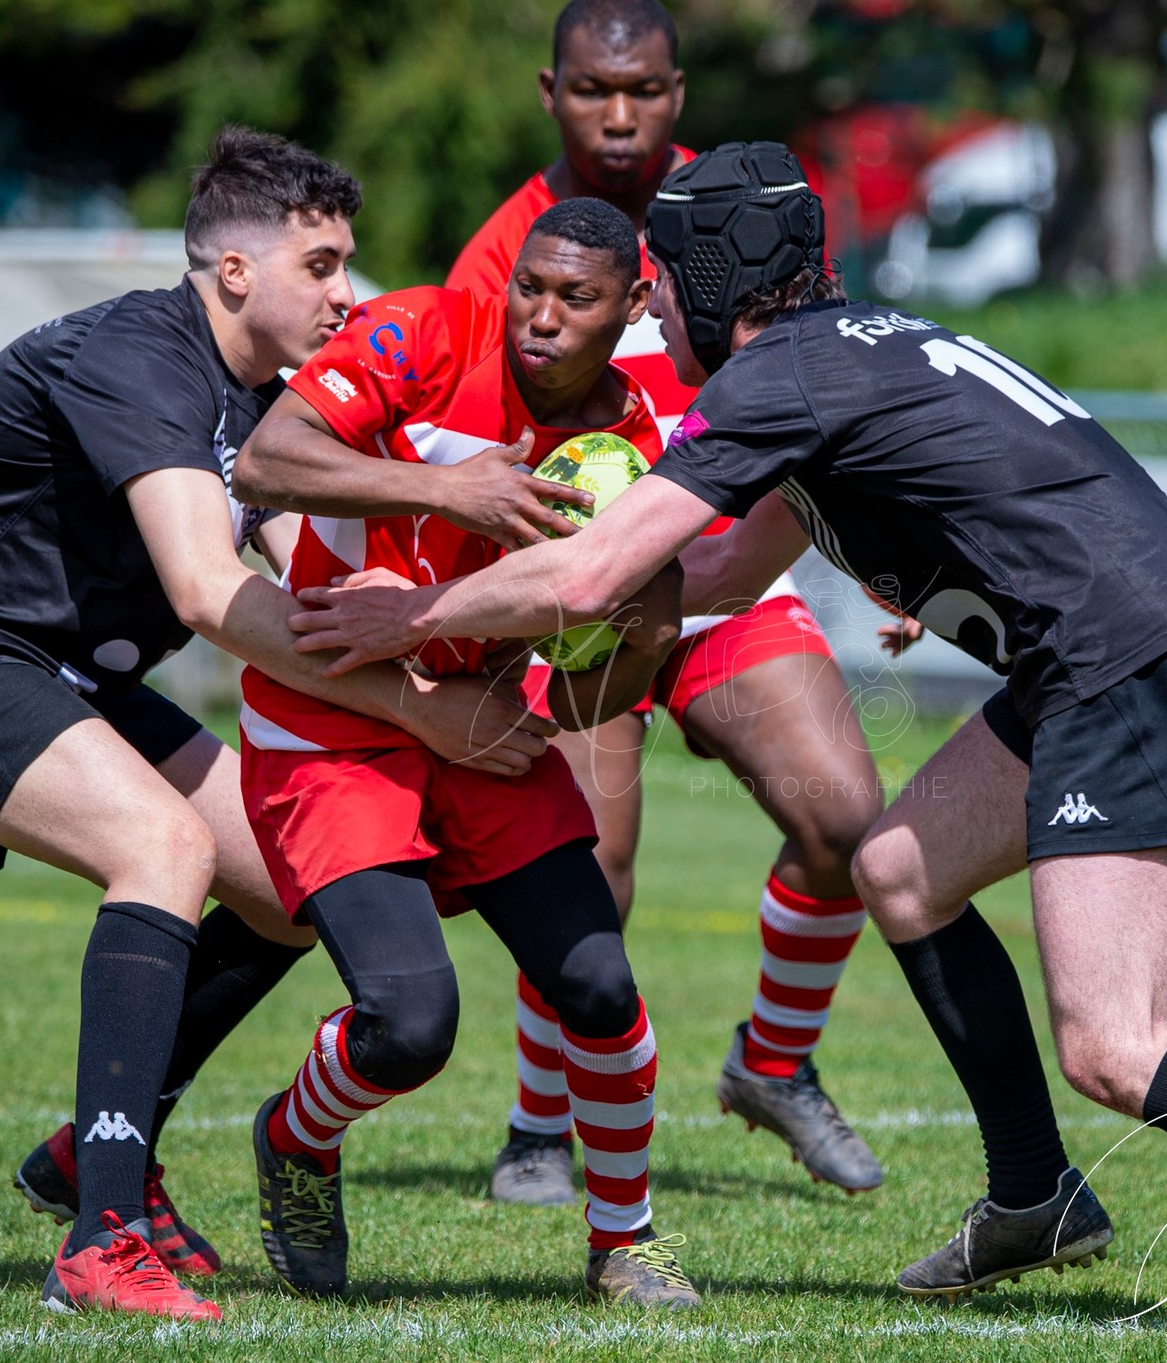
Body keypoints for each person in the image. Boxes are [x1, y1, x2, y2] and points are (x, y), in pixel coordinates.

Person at [286, 142, 1167, 1347]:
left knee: (1112, 1043)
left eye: (661, 281)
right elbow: (714, 564)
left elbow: (614, 563)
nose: (651, 308)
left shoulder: (778, 377)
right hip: (1100, 644)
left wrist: (422, 613)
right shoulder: (846, 346)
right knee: (895, 868)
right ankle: (1035, 1194)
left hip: (1121, 661)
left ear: (714, 278)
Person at [0, 128, 566, 1320]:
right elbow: (209, 597)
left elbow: (303, 598)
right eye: (320, 266)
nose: (345, 293)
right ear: (232, 273)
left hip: (58, 669)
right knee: (161, 849)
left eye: (348, 265)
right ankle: (100, 1241)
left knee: (279, 873)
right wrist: (425, 713)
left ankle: (86, 1156)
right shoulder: (140, 358)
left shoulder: (267, 404)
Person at [446, 0, 886, 1205]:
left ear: (678, 95)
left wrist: (880, 551)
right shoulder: (506, 250)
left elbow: (826, 381)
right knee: (588, 859)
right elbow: (462, 433)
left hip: (724, 576)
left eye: (642, 91)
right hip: (586, 595)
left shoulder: (736, 213)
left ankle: (773, 1064)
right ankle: (539, 1126)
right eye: (595, 90)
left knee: (846, 822)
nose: (621, 114)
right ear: (553, 93)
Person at [226, 196, 698, 1308]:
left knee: (597, 985)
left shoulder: (623, 446)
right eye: (528, 286)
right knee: (408, 1024)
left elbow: (592, 692)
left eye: (574, 299)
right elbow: (263, 461)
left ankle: (623, 1241)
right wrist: (449, 487)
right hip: (333, 714)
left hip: (478, 721)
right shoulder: (422, 330)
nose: (537, 316)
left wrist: (643, 634)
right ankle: (296, 1140)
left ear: (631, 306)